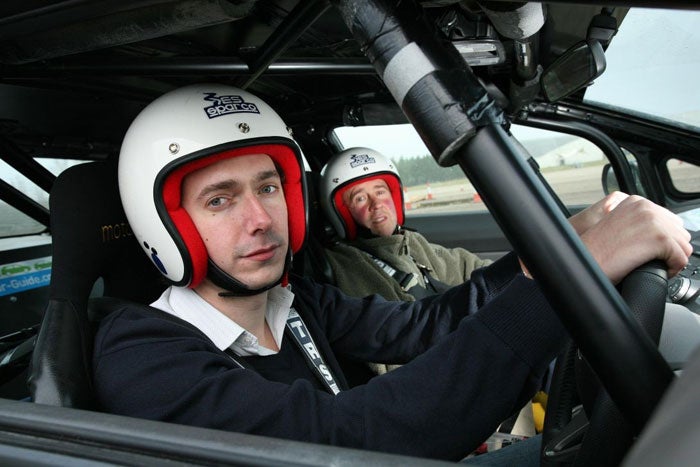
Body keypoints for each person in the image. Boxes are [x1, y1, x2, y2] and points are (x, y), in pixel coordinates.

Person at [93, 83, 691, 463]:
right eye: (219, 200)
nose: (260, 220)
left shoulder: (295, 300)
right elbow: (343, 444)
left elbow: (430, 323)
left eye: (270, 187)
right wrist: (554, 293)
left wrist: (559, 250)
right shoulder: (141, 351)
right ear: (164, 224)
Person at [319, 147, 493, 304]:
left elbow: (464, 265)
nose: (377, 203)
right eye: (360, 198)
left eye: (380, 192)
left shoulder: (411, 243)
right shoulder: (347, 265)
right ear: (343, 214)